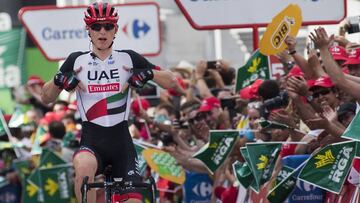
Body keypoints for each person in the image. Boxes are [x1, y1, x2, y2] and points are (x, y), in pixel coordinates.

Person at [40, 2, 183, 203]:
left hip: (122, 146)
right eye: (96, 26)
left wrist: (149, 73)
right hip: (92, 143)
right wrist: (57, 81)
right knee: (82, 168)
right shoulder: (76, 60)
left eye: (108, 26)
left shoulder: (128, 58)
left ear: (116, 29)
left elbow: (172, 81)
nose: (102, 31)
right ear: (88, 30)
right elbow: (45, 98)